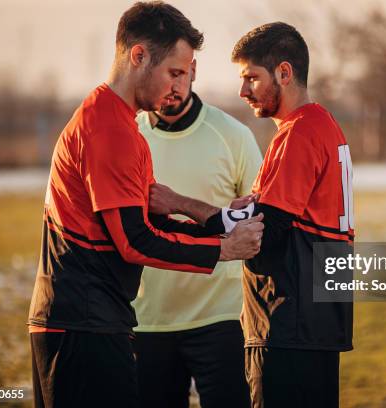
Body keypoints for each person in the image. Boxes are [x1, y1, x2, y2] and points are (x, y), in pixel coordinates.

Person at [27, 2, 263, 407]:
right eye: (173, 72)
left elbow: (153, 221)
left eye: (186, 74)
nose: (179, 85)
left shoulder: (123, 125)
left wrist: (222, 222)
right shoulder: (108, 128)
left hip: (98, 321)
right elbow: (134, 241)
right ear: (138, 56)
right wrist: (224, 249)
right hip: (80, 326)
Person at [231, 22, 355, 408]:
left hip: (288, 324)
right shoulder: (325, 125)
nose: (243, 90)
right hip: (316, 323)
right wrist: (255, 206)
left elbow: (267, 240)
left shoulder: (299, 132)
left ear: (284, 73)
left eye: (252, 77)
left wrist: (194, 214)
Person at [132, 54, 262, 407]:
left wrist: (182, 203)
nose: (172, 86)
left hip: (221, 317)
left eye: (180, 74)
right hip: (146, 319)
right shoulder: (129, 136)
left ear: (194, 71)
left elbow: (258, 221)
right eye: (165, 74)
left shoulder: (233, 136)